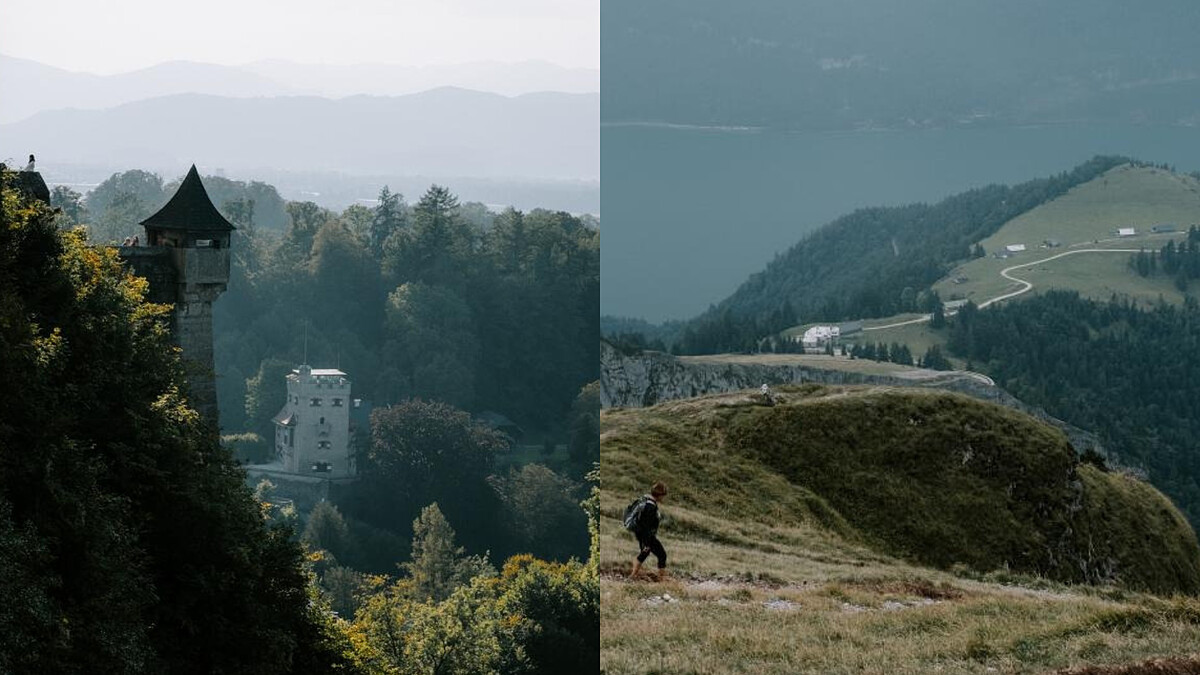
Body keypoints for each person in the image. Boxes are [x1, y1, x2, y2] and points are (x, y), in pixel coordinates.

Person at [629, 481, 669, 581]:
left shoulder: (647, 502)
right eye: (663, 495)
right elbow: (646, 526)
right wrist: (646, 542)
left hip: (643, 534)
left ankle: (633, 575)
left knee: (645, 553)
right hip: (647, 536)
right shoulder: (650, 507)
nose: (663, 498)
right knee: (662, 555)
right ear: (659, 495)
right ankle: (661, 580)